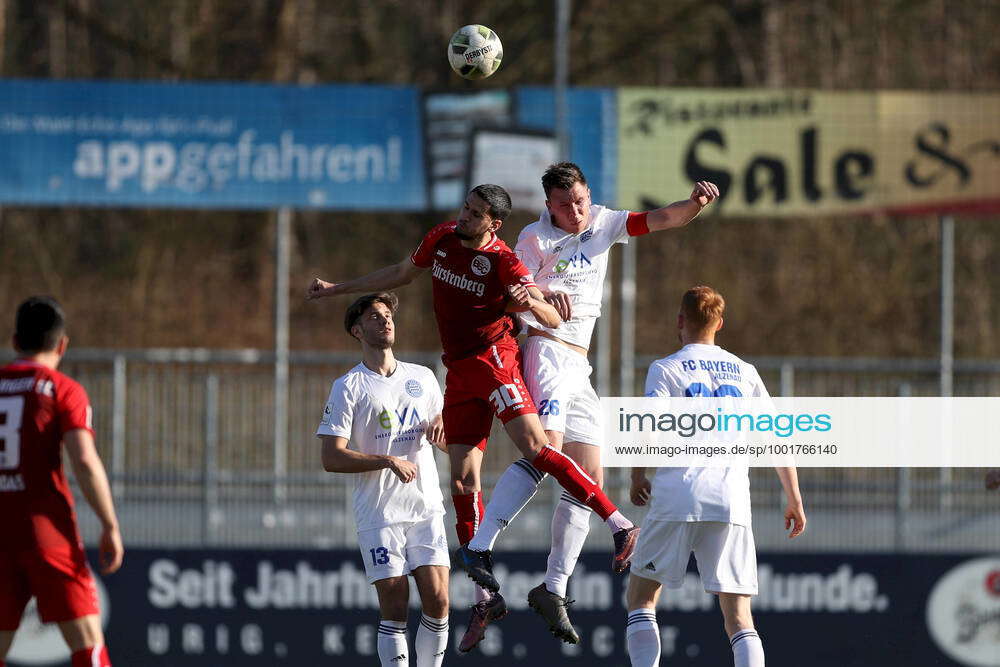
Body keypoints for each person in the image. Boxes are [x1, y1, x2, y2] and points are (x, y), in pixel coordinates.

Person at [307, 184, 639, 652]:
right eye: (465, 207)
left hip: (496, 361)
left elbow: (551, 316)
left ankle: (619, 523)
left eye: (476, 213)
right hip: (459, 370)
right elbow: (402, 272)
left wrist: (537, 298)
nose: (464, 216)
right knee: (462, 481)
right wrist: (337, 289)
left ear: (493, 224)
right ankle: (486, 597)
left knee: (538, 448)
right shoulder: (442, 237)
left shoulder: (504, 260)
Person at [462, 162, 720, 643]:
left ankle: (553, 587)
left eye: (580, 199)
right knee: (546, 453)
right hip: (544, 349)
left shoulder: (603, 221)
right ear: (548, 206)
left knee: (589, 477)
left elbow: (661, 219)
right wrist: (543, 295)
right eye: (565, 204)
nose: (576, 210)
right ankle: (480, 545)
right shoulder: (534, 239)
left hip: (579, 365)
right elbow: (511, 291)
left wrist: (695, 205)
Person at [624, 286, 807, 667]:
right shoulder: (745, 371)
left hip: (678, 493)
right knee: (739, 618)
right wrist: (794, 498)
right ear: (719, 323)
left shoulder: (666, 368)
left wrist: (637, 475)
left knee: (642, 599)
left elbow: (647, 428)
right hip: (731, 499)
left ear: (680, 321)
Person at [316, 292, 450, 667]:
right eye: (374, 317)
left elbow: (446, 438)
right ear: (357, 330)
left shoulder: (422, 378)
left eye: (388, 314)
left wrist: (445, 430)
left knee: (439, 602)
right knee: (395, 606)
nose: (385, 321)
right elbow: (331, 457)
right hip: (380, 513)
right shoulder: (349, 387)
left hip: (425, 506)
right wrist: (387, 460)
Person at [0, 296, 123, 667]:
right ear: (62, 344)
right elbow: (83, 459)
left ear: (14, 342)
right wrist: (109, 524)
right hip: (46, 531)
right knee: (87, 644)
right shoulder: (62, 389)